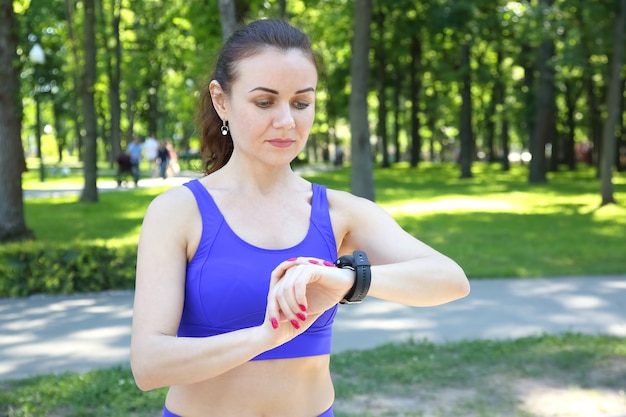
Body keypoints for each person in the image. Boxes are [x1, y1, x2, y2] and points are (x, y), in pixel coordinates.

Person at [130, 19, 470, 417]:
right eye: (264, 102)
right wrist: (266, 336)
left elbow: (451, 280)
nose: (287, 122)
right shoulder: (178, 212)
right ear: (222, 101)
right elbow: (149, 365)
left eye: (301, 103)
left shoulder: (338, 211)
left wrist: (346, 279)